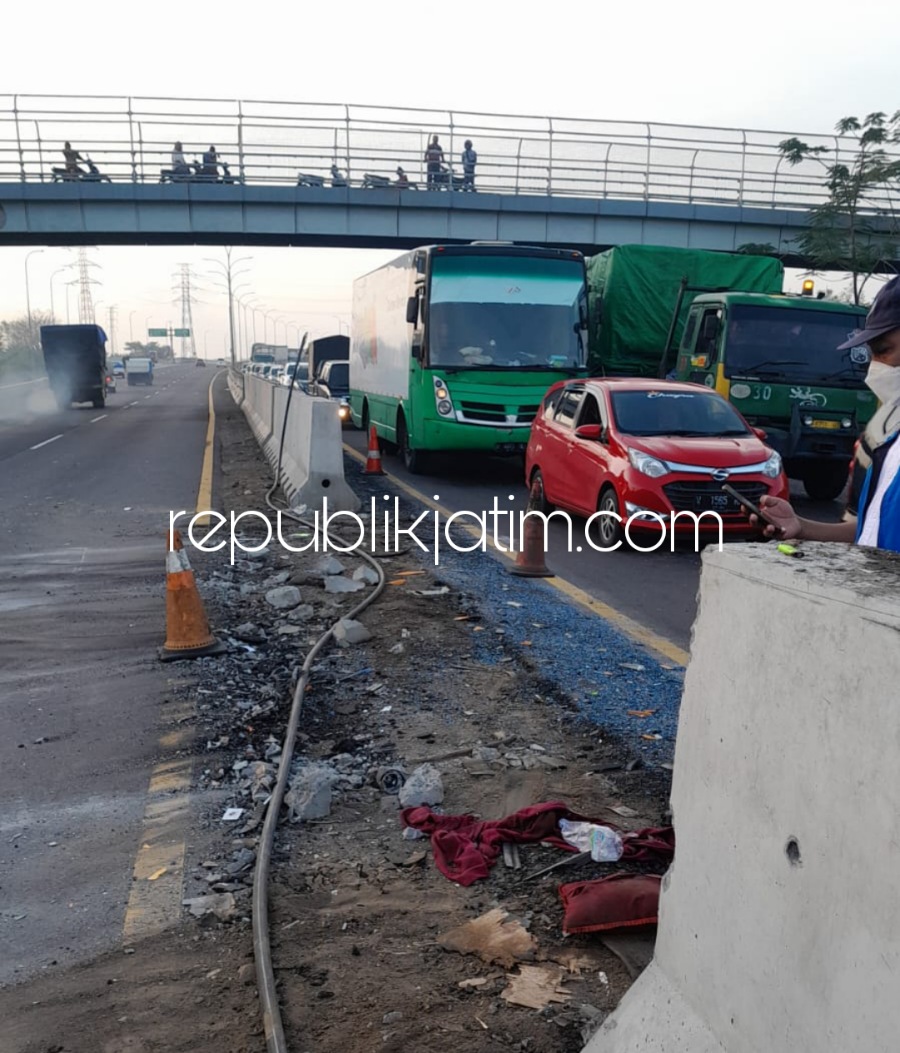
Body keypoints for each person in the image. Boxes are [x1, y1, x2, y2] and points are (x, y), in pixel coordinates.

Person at [754, 275, 900, 553]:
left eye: (884, 350)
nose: (875, 368)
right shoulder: (891, 444)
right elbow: (872, 531)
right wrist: (801, 526)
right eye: (871, 354)